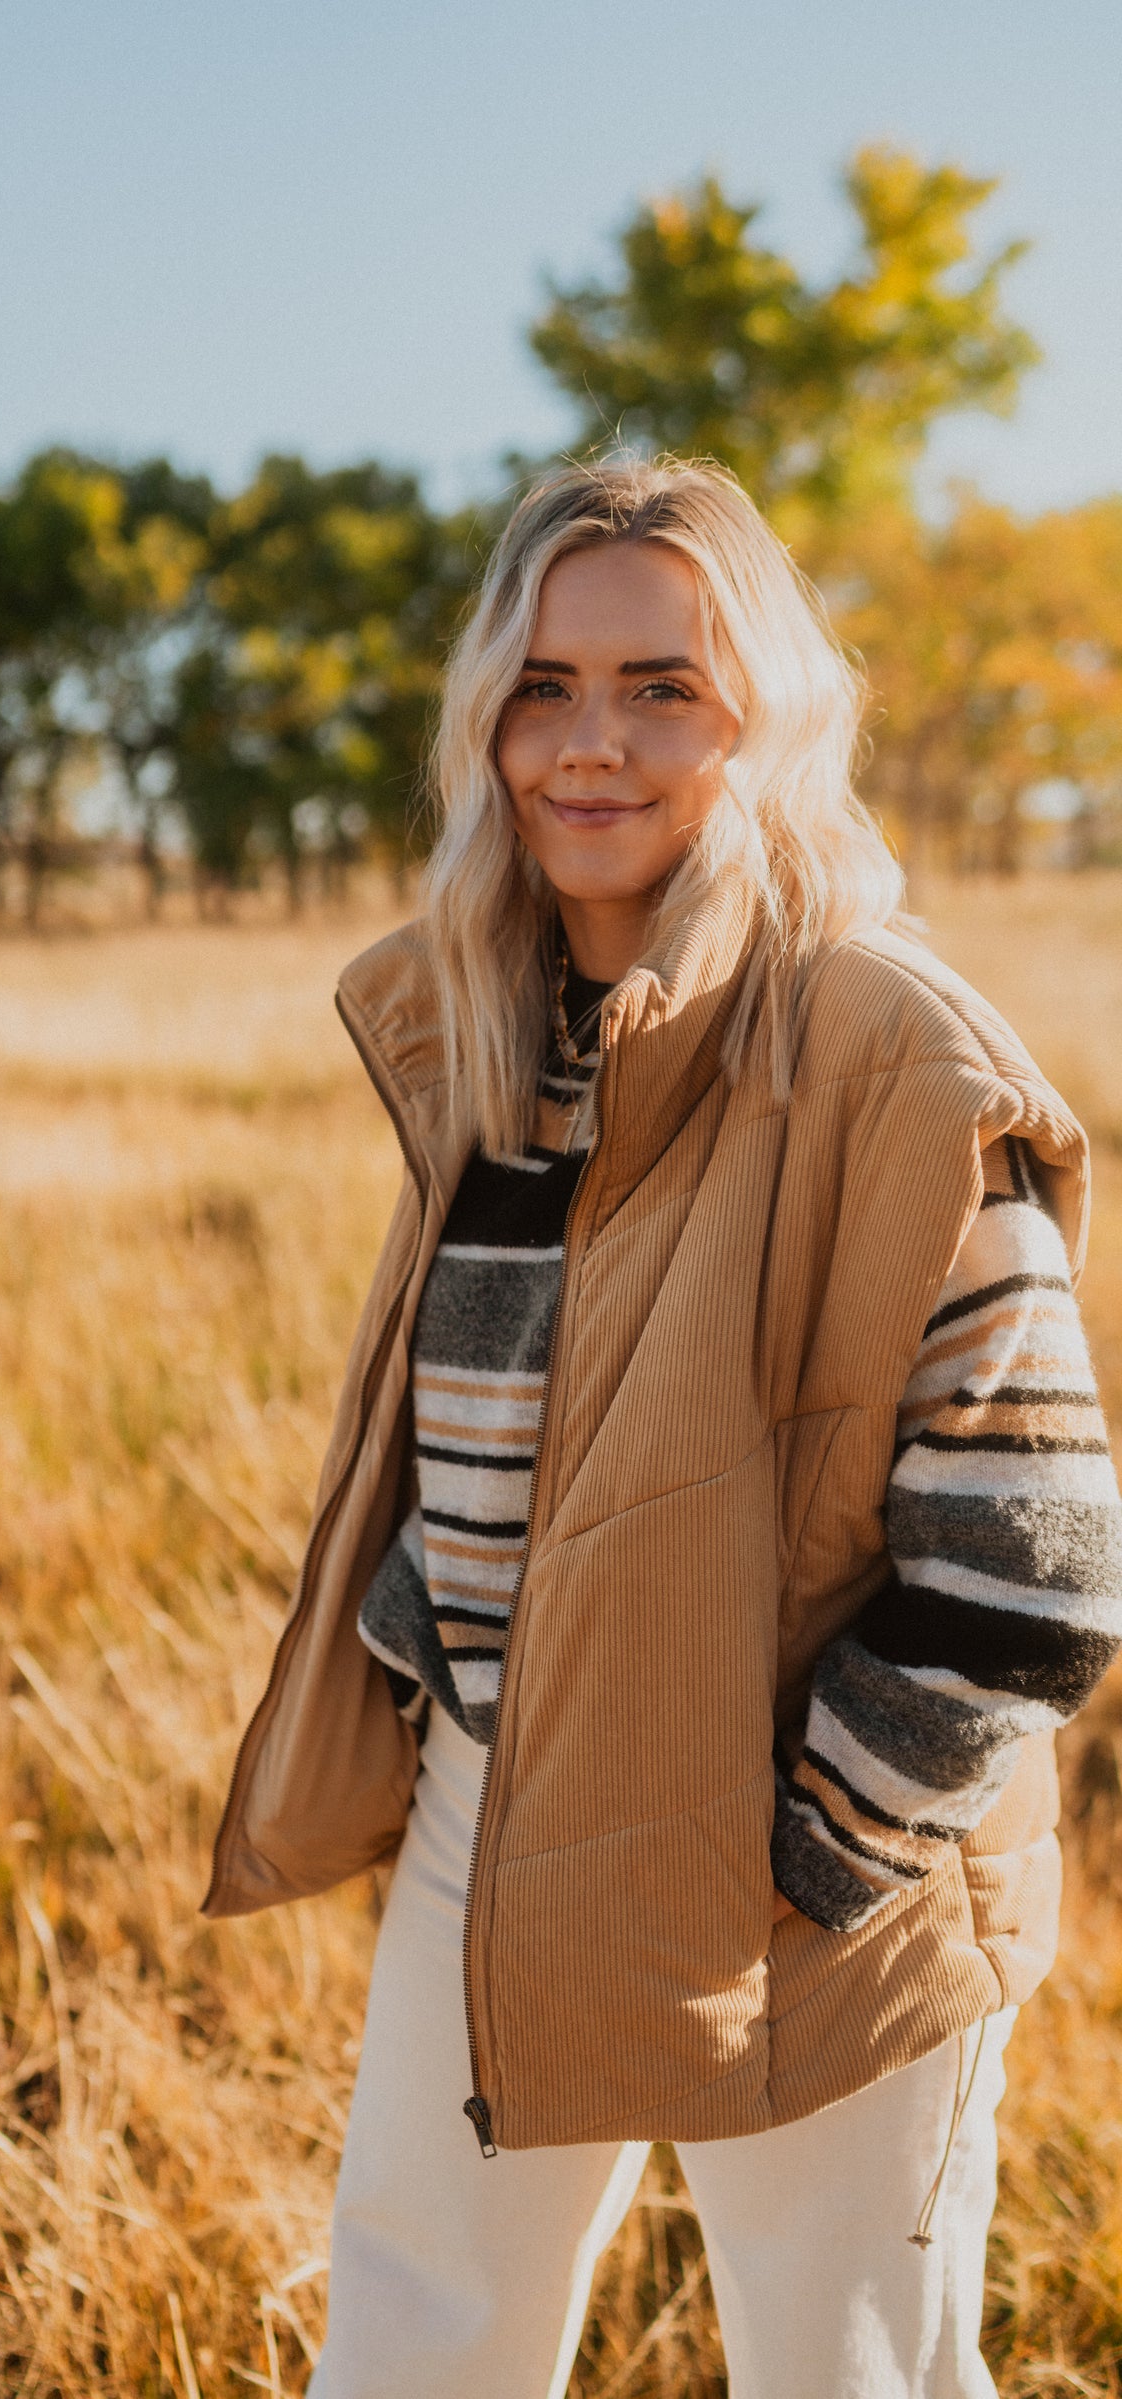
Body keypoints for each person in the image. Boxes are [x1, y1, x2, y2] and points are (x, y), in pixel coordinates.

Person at [203, 458, 1122, 2399]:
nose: (587, 744)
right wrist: (431, 1660)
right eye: (541, 687)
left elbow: (1029, 1573)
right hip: (498, 1803)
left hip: (808, 1859)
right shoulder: (496, 1025)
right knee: (407, 2354)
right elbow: (482, 1442)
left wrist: (811, 1846)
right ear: (484, 722)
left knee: (841, 2378)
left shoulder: (883, 1048)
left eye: (659, 688)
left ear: (762, 721)